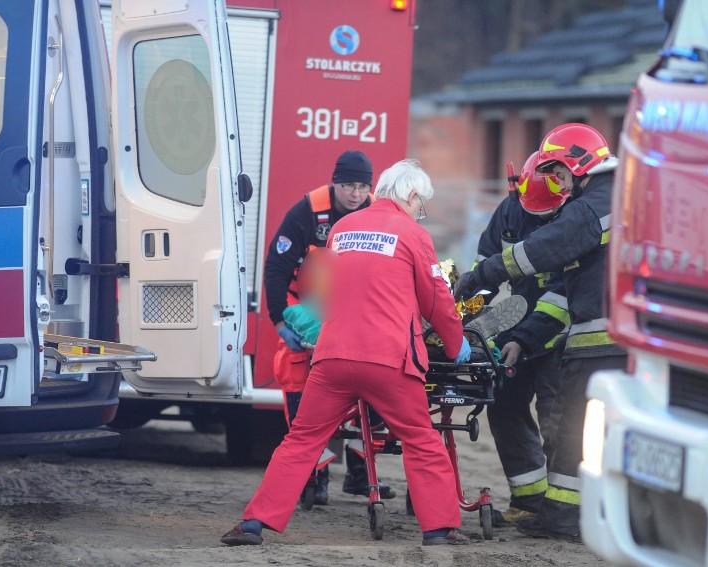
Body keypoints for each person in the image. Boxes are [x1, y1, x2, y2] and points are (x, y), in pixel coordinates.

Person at [222, 159, 472, 546]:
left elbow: (330, 292)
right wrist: (455, 345)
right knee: (422, 440)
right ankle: (438, 529)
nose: (420, 213)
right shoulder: (413, 234)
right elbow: (436, 300)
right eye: (421, 205)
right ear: (411, 196)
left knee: (301, 441)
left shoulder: (341, 228)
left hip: (333, 357)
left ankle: (254, 523)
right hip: (390, 360)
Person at [455, 123, 628, 541]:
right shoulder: (522, 210)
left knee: (567, 427)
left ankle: (566, 519)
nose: (559, 184)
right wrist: (479, 318)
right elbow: (562, 291)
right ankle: (545, 507)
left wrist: (489, 272)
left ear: (579, 163)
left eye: (561, 174)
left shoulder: (590, 208)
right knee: (554, 421)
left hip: (593, 340)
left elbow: (547, 256)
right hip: (562, 332)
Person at [262, 150, 395, 504]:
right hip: (304, 316)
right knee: (299, 393)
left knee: (369, 394)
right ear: (335, 182)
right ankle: (313, 477)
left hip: (356, 319)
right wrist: (280, 319)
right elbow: (276, 269)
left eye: (363, 186)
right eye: (349, 185)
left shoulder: (376, 212)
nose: (355, 193)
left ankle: (360, 472)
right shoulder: (306, 213)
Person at [468, 152, 571, 526]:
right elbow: (486, 267)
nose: (538, 216)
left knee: (557, 419)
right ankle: (529, 500)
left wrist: (525, 338)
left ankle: (562, 513)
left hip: (561, 330)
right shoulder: (511, 209)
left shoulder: (574, 214)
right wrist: (467, 312)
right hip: (516, 322)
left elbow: (564, 294)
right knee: (504, 403)